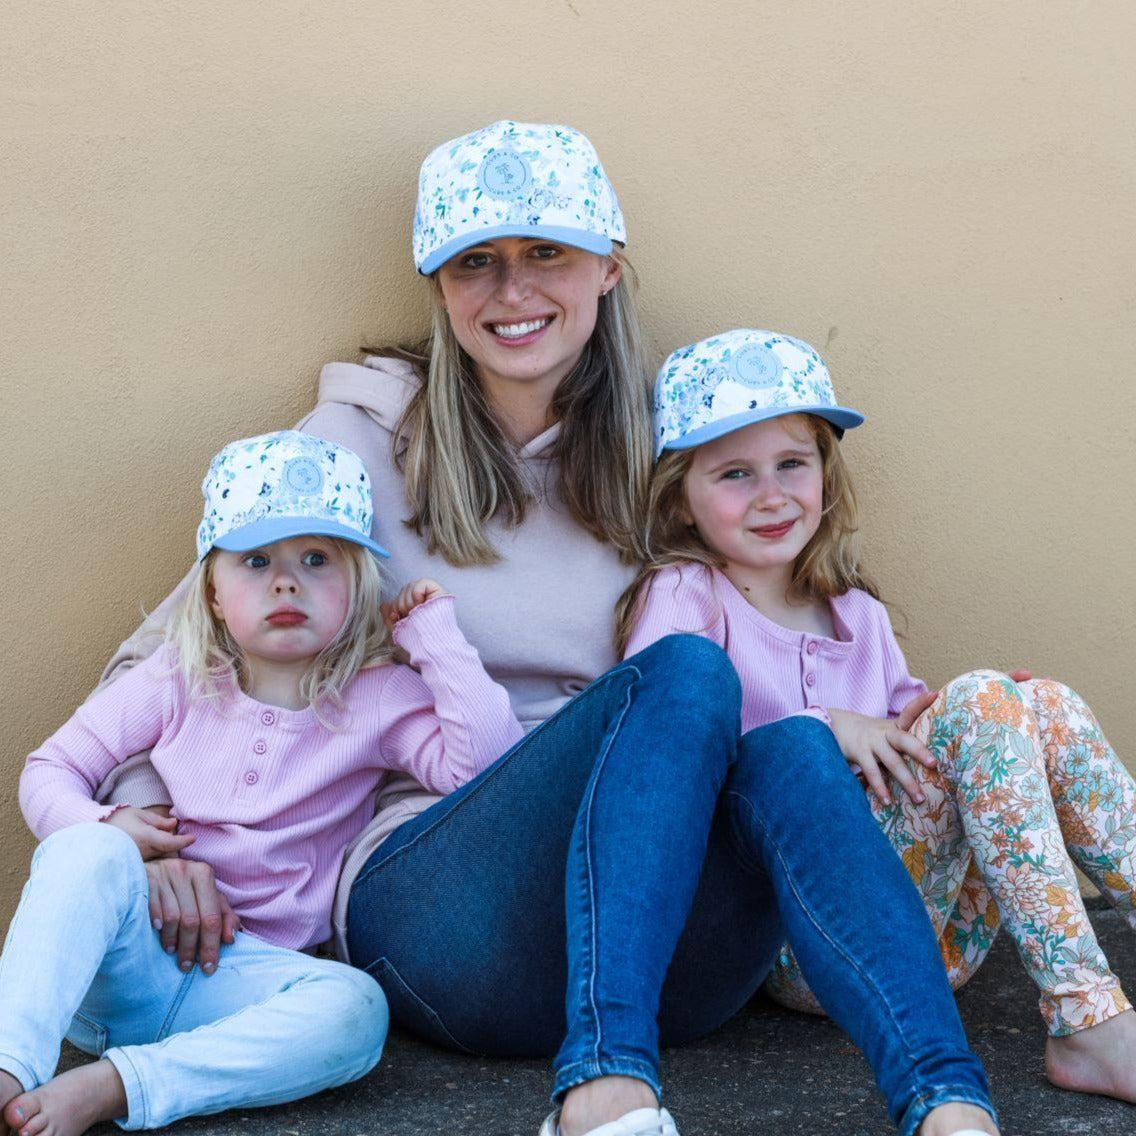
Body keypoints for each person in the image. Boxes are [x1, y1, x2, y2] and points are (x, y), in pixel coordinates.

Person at [95, 122, 1000, 1136]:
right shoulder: (352, 443)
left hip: (657, 939)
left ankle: (947, 1103)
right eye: (475, 261)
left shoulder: (683, 444)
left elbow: (789, 604)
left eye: (545, 255)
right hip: (442, 912)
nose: (511, 291)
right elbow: (168, 654)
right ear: (437, 285)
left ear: (606, 269)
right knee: (684, 671)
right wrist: (152, 833)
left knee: (787, 742)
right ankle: (602, 1092)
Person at [619, 327, 1136, 1108]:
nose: (770, 493)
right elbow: (661, 757)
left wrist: (1004, 720)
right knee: (986, 701)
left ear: (826, 471)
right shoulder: (687, 597)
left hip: (938, 932)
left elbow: (917, 731)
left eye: (793, 463)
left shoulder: (855, 611)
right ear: (680, 501)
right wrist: (829, 721)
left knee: (1041, 705)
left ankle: (1089, 1012)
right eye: (733, 474)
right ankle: (1086, 1021)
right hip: (806, 942)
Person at [0, 430, 521, 1136]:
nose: (286, 581)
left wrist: (434, 635)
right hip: (129, 960)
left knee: (357, 1011)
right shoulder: (175, 678)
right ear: (213, 592)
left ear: (358, 583)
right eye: (256, 560)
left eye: (317, 559)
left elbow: (485, 767)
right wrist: (109, 830)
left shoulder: (381, 696)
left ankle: (118, 1087)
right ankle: (9, 1067)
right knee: (79, 853)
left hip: (252, 983)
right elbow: (49, 771)